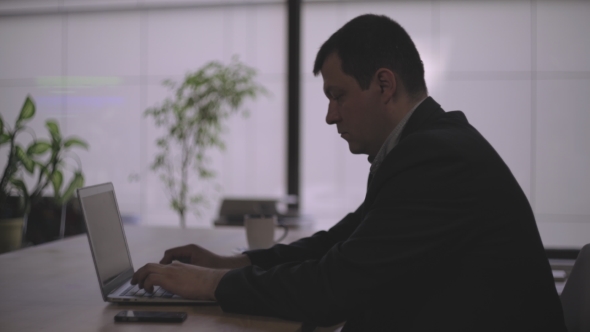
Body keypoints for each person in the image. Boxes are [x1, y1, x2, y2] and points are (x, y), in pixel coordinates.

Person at [132, 14, 567, 331]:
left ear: (383, 84)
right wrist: (234, 262)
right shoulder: (426, 144)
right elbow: (339, 242)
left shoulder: (437, 158)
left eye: (337, 96)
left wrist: (212, 284)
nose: (329, 116)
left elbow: (331, 289)